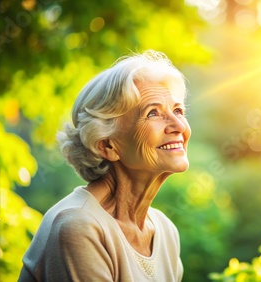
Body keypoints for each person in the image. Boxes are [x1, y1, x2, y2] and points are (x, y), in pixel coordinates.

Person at [18, 50, 191, 281]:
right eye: (153, 113)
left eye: (178, 110)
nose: (178, 125)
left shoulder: (165, 231)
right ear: (107, 145)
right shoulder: (78, 226)